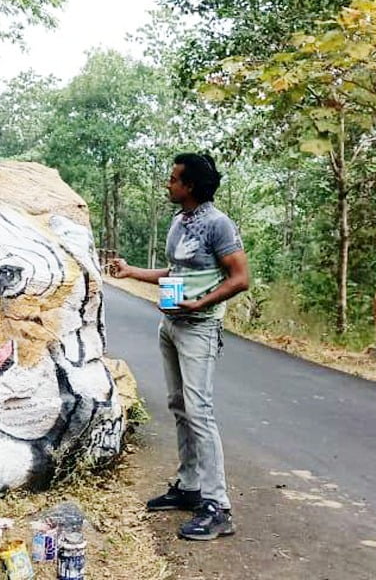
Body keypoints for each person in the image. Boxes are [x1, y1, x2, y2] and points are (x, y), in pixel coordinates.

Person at [109, 153, 249, 541]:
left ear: (189, 186)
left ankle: (218, 507)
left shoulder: (218, 225)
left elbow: (240, 278)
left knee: (200, 411)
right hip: (171, 324)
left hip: (199, 328)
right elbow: (176, 274)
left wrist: (202, 303)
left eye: (173, 179)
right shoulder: (179, 221)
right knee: (179, 404)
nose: (167, 184)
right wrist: (132, 271)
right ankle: (189, 487)